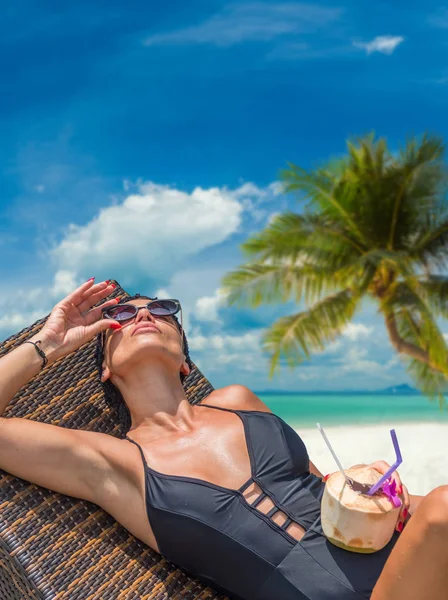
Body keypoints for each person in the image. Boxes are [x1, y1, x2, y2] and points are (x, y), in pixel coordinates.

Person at [0, 278, 446, 600]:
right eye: (119, 315)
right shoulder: (117, 463)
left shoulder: (238, 401)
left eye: (160, 310)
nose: (142, 315)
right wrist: (47, 346)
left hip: (405, 560)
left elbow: (327, 490)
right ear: (106, 369)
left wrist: (393, 498)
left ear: (184, 362)